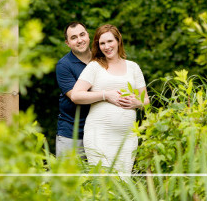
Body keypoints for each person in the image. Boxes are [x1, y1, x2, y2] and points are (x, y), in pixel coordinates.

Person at [69, 24, 148, 176]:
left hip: (127, 137)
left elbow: (146, 101)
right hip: (99, 135)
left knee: (123, 184)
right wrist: (106, 95)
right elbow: (76, 95)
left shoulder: (133, 67)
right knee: (104, 181)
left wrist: (136, 103)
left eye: (110, 41)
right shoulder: (95, 67)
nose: (107, 46)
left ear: (118, 41)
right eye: (102, 43)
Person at [55, 22, 92, 158]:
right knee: (68, 178)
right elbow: (77, 97)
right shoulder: (64, 65)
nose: (80, 40)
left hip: (98, 133)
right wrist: (107, 95)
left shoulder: (100, 60)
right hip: (72, 134)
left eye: (82, 35)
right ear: (68, 43)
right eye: (74, 37)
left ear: (88, 36)